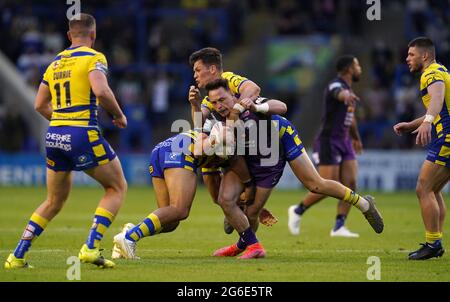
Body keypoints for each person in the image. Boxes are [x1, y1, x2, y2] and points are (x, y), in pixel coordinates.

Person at [205, 79, 384, 258]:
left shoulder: (245, 102)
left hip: (281, 139)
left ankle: (364, 204)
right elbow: (227, 156)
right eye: (214, 102)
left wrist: (255, 107)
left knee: (315, 185)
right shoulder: (215, 120)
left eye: (222, 99)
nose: (219, 106)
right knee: (234, 202)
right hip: (254, 153)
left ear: (231, 93)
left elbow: (281, 106)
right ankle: (246, 244)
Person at [4, 13, 127, 269]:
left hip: (54, 136)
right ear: (93, 35)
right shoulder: (95, 57)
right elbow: (102, 91)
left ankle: (16, 256)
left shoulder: (55, 63)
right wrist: (118, 115)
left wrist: (61, 119)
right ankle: (90, 248)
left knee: (53, 201)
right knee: (116, 187)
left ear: (69, 35)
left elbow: (39, 104)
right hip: (82, 133)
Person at [111, 127, 255, 259]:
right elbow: (221, 191)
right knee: (179, 210)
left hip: (161, 149)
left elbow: (217, 195)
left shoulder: (218, 151)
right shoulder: (227, 146)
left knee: (170, 222)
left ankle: (128, 233)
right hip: (179, 151)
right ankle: (129, 238)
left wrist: (238, 208)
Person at [188, 47, 277, 232]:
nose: (195, 75)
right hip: (217, 140)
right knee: (215, 197)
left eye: (197, 70)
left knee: (227, 195)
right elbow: (199, 122)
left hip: (243, 141)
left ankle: (247, 210)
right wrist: (195, 105)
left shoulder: (229, 79)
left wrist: (235, 113)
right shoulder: (208, 99)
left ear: (212, 69)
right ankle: (242, 207)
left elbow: (253, 88)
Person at [288, 55, 364, 238]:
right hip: (328, 141)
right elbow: (339, 93)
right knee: (325, 185)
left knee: (351, 183)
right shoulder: (336, 85)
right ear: (348, 69)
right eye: (357, 65)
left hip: (344, 140)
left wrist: (356, 138)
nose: (360, 68)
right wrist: (346, 96)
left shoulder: (349, 89)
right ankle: (298, 210)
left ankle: (339, 226)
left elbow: (350, 118)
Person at [394, 37, 449, 260]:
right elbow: (440, 106)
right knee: (433, 190)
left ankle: (433, 243)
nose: (407, 59)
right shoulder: (442, 70)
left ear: (425, 55)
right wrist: (413, 124)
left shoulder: (431, 73)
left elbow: (437, 99)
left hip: (446, 136)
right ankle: (436, 241)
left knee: (423, 187)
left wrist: (427, 122)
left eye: (411, 55)